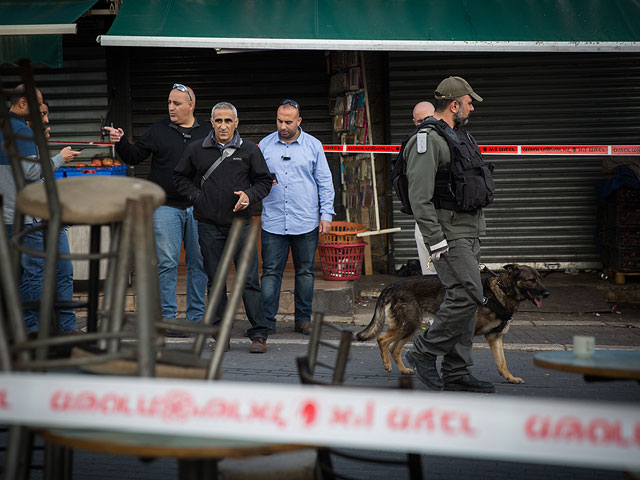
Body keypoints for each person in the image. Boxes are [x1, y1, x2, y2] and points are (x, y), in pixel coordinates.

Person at [404, 76, 495, 393]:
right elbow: (420, 197)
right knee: (468, 296)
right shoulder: (427, 141)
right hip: (448, 233)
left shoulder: (458, 136)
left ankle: (457, 371)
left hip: (468, 232)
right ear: (454, 104)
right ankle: (423, 352)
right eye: (469, 102)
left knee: (467, 300)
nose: (472, 108)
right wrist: (436, 240)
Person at [104, 84, 208, 332]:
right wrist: (120, 142)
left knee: (200, 263)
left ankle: (196, 318)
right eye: (169, 102)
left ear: (190, 105)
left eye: (177, 103)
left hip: (199, 207)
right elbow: (134, 156)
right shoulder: (158, 130)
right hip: (164, 207)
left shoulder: (207, 130)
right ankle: (168, 319)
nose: (171, 107)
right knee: (167, 263)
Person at [173, 102, 273, 353]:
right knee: (215, 281)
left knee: (248, 279)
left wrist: (249, 196)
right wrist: (196, 196)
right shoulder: (198, 149)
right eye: (218, 121)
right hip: (207, 225)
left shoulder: (249, 150)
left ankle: (259, 334)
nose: (223, 126)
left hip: (242, 226)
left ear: (236, 123)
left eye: (228, 121)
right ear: (211, 122)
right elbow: (179, 177)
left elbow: (264, 181)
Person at [0, 86, 81, 334]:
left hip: (16, 214)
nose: (43, 118)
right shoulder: (20, 131)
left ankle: (54, 327)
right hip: (27, 216)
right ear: (24, 104)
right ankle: (32, 330)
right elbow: (31, 173)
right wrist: (59, 158)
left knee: (49, 272)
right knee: (35, 274)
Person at [258, 99, 335, 336]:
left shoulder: (314, 145)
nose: (283, 126)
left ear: (299, 121)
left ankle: (303, 319)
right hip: (273, 221)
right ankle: (266, 322)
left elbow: (324, 181)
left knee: (305, 272)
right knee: (271, 272)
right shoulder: (264, 145)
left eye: (288, 121)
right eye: (279, 120)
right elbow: (253, 177)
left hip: (305, 221)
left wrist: (326, 214)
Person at [411, 101, 437, 276]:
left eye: (428, 119)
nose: (424, 125)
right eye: (420, 121)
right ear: (414, 122)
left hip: (445, 211)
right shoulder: (415, 143)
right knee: (429, 270)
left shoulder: (445, 138)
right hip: (423, 212)